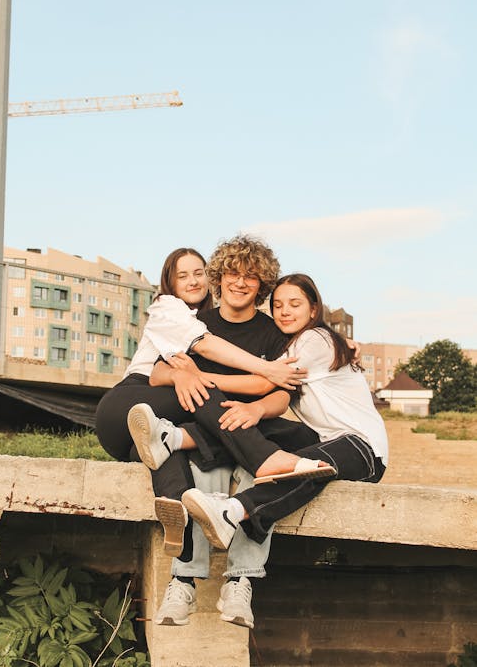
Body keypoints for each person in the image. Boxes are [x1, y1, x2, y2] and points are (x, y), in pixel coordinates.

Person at [96, 241, 317, 629]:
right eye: (233, 273)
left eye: (252, 276)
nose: (241, 282)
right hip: (205, 432)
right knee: (190, 467)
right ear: (219, 277)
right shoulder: (198, 322)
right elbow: (158, 373)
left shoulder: (272, 333)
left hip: (244, 425)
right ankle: (183, 582)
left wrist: (254, 406)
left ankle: (240, 583)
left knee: (259, 464)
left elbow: (283, 394)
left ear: (262, 283)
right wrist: (189, 375)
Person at [174, 273, 387, 561]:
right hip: (322, 438)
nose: (285, 312)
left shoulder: (316, 339)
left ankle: (232, 511)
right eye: (278, 306)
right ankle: (176, 438)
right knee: (257, 426)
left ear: (313, 310)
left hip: (363, 449)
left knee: (302, 467)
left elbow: (264, 380)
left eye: (295, 304)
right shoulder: (298, 343)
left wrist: (197, 375)